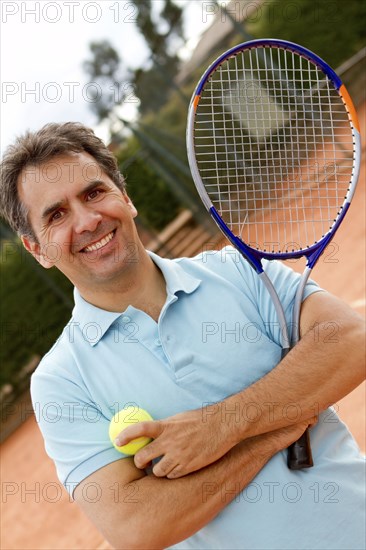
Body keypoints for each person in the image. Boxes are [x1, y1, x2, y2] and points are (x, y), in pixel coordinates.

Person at [0, 122, 364, 550]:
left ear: (125, 196)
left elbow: (352, 340)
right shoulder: (60, 383)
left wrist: (220, 426)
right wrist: (269, 430)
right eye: (56, 215)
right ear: (37, 249)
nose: (87, 221)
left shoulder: (241, 271)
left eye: (94, 193)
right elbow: (138, 526)